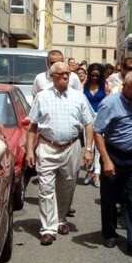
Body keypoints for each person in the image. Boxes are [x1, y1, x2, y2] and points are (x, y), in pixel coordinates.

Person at [25, 62, 95, 246]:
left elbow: (89, 124)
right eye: (61, 74)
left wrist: (88, 149)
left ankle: (61, 219)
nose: (66, 76)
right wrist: (29, 151)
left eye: (67, 74)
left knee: (67, 186)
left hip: (72, 147)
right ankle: (48, 228)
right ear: (52, 76)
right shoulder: (42, 97)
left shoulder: (78, 97)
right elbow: (32, 126)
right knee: (46, 189)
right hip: (48, 147)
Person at [94, 70, 132, 259]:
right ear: (125, 87)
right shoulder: (110, 104)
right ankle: (109, 232)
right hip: (114, 155)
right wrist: (107, 160)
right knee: (110, 198)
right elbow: (98, 132)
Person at [83, 63, 108, 187]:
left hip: (101, 119)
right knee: (89, 146)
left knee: (98, 147)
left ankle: (97, 174)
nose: (94, 77)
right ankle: (88, 172)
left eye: (97, 75)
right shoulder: (84, 87)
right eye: (92, 75)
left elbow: (109, 103)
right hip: (87, 120)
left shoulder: (105, 87)